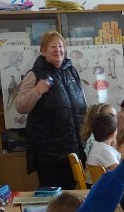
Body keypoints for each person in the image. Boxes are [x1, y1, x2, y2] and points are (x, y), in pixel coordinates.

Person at [14, 30, 87, 189]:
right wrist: (37, 91)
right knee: (52, 195)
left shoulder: (71, 71)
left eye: (60, 46)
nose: (58, 50)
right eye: (53, 46)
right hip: (49, 153)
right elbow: (20, 106)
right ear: (43, 50)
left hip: (73, 148)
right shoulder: (35, 74)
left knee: (70, 194)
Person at [84, 112, 120, 184]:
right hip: (103, 186)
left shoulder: (96, 145)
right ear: (113, 134)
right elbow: (119, 172)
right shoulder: (105, 150)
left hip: (96, 185)